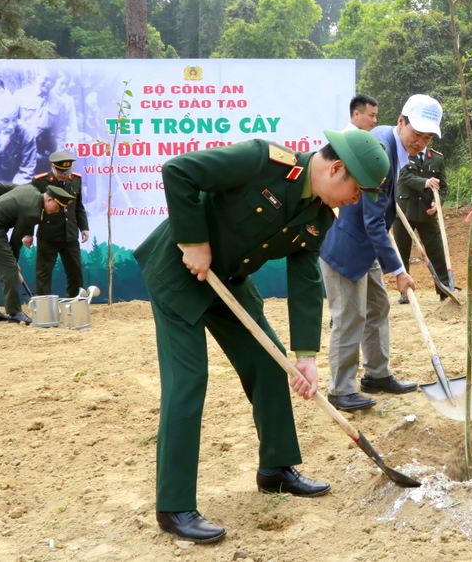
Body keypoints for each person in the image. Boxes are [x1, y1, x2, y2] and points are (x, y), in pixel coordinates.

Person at [133, 131, 389, 544]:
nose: (355, 200)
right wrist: (193, 241)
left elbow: (305, 277)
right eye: (356, 189)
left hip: (229, 280)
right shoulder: (261, 160)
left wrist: (305, 355)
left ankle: (276, 469)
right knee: (188, 381)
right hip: (178, 274)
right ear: (336, 168)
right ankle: (174, 506)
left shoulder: (320, 214)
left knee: (272, 364)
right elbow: (178, 171)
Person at [319, 94, 443, 412]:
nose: (421, 142)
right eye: (417, 134)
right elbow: (373, 221)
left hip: (367, 244)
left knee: (377, 306)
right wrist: (399, 271)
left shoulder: (390, 139)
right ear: (401, 122)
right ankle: (341, 389)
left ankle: (377, 374)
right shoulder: (381, 152)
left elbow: (378, 214)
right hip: (348, 245)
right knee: (351, 316)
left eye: (428, 137)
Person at [0, 184, 75, 325]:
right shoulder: (33, 213)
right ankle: (14, 312)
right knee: (9, 270)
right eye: (58, 206)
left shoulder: (31, 189)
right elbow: (16, 240)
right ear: (49, 200)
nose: (57, 211)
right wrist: (13, 262)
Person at [24, 151, 90, 297]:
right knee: (44, 272)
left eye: (67, 172)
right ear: (53, 167)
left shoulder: (76, 179)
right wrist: (28, 233)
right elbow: (31, 208)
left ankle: (74, 301)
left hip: (70, 234)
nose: (64, 175)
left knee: (75, 270)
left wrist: (84, 228)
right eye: (61, 172)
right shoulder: (40, 181)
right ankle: (45, 303)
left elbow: (78, 206)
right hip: (48, 234)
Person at [392, 144, 449, 303]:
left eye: (427, 137)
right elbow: (402, 176)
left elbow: (442, 186)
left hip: (427, 212)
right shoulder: (402, 155)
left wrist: (437, 203)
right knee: (402, 253)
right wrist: (426, 182)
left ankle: (445, 289)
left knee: (436, 250)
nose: (422, 141)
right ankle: (405, 292)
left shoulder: (437, 157)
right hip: (404, 211)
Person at [14, 68, 71, 174]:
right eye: (46, 79)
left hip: (43, 153)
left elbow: (60, 134)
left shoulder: (60, 103)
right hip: (20, 149)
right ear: (38, 75)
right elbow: (12, 124)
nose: (49, 83)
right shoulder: (20, 95)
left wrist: (58, 160)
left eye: (53, 81)